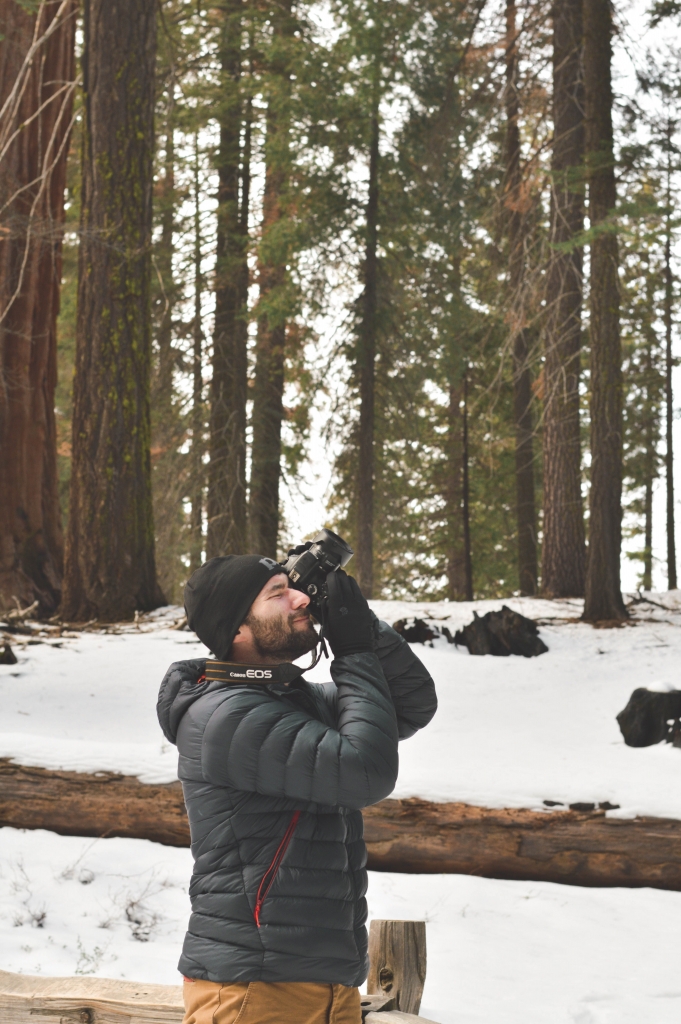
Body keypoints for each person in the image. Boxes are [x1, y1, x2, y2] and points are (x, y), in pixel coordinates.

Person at [157, 553, 437, 1024]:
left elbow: (408, 705)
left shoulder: (285, 702)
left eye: (296, 586)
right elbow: (365, 770)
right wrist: (352, 652)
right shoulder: (228, 717)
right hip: (256, 990)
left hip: (319, 985)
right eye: (277, 593)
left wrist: (360, 626)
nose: (301, 597)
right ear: (238, 630)